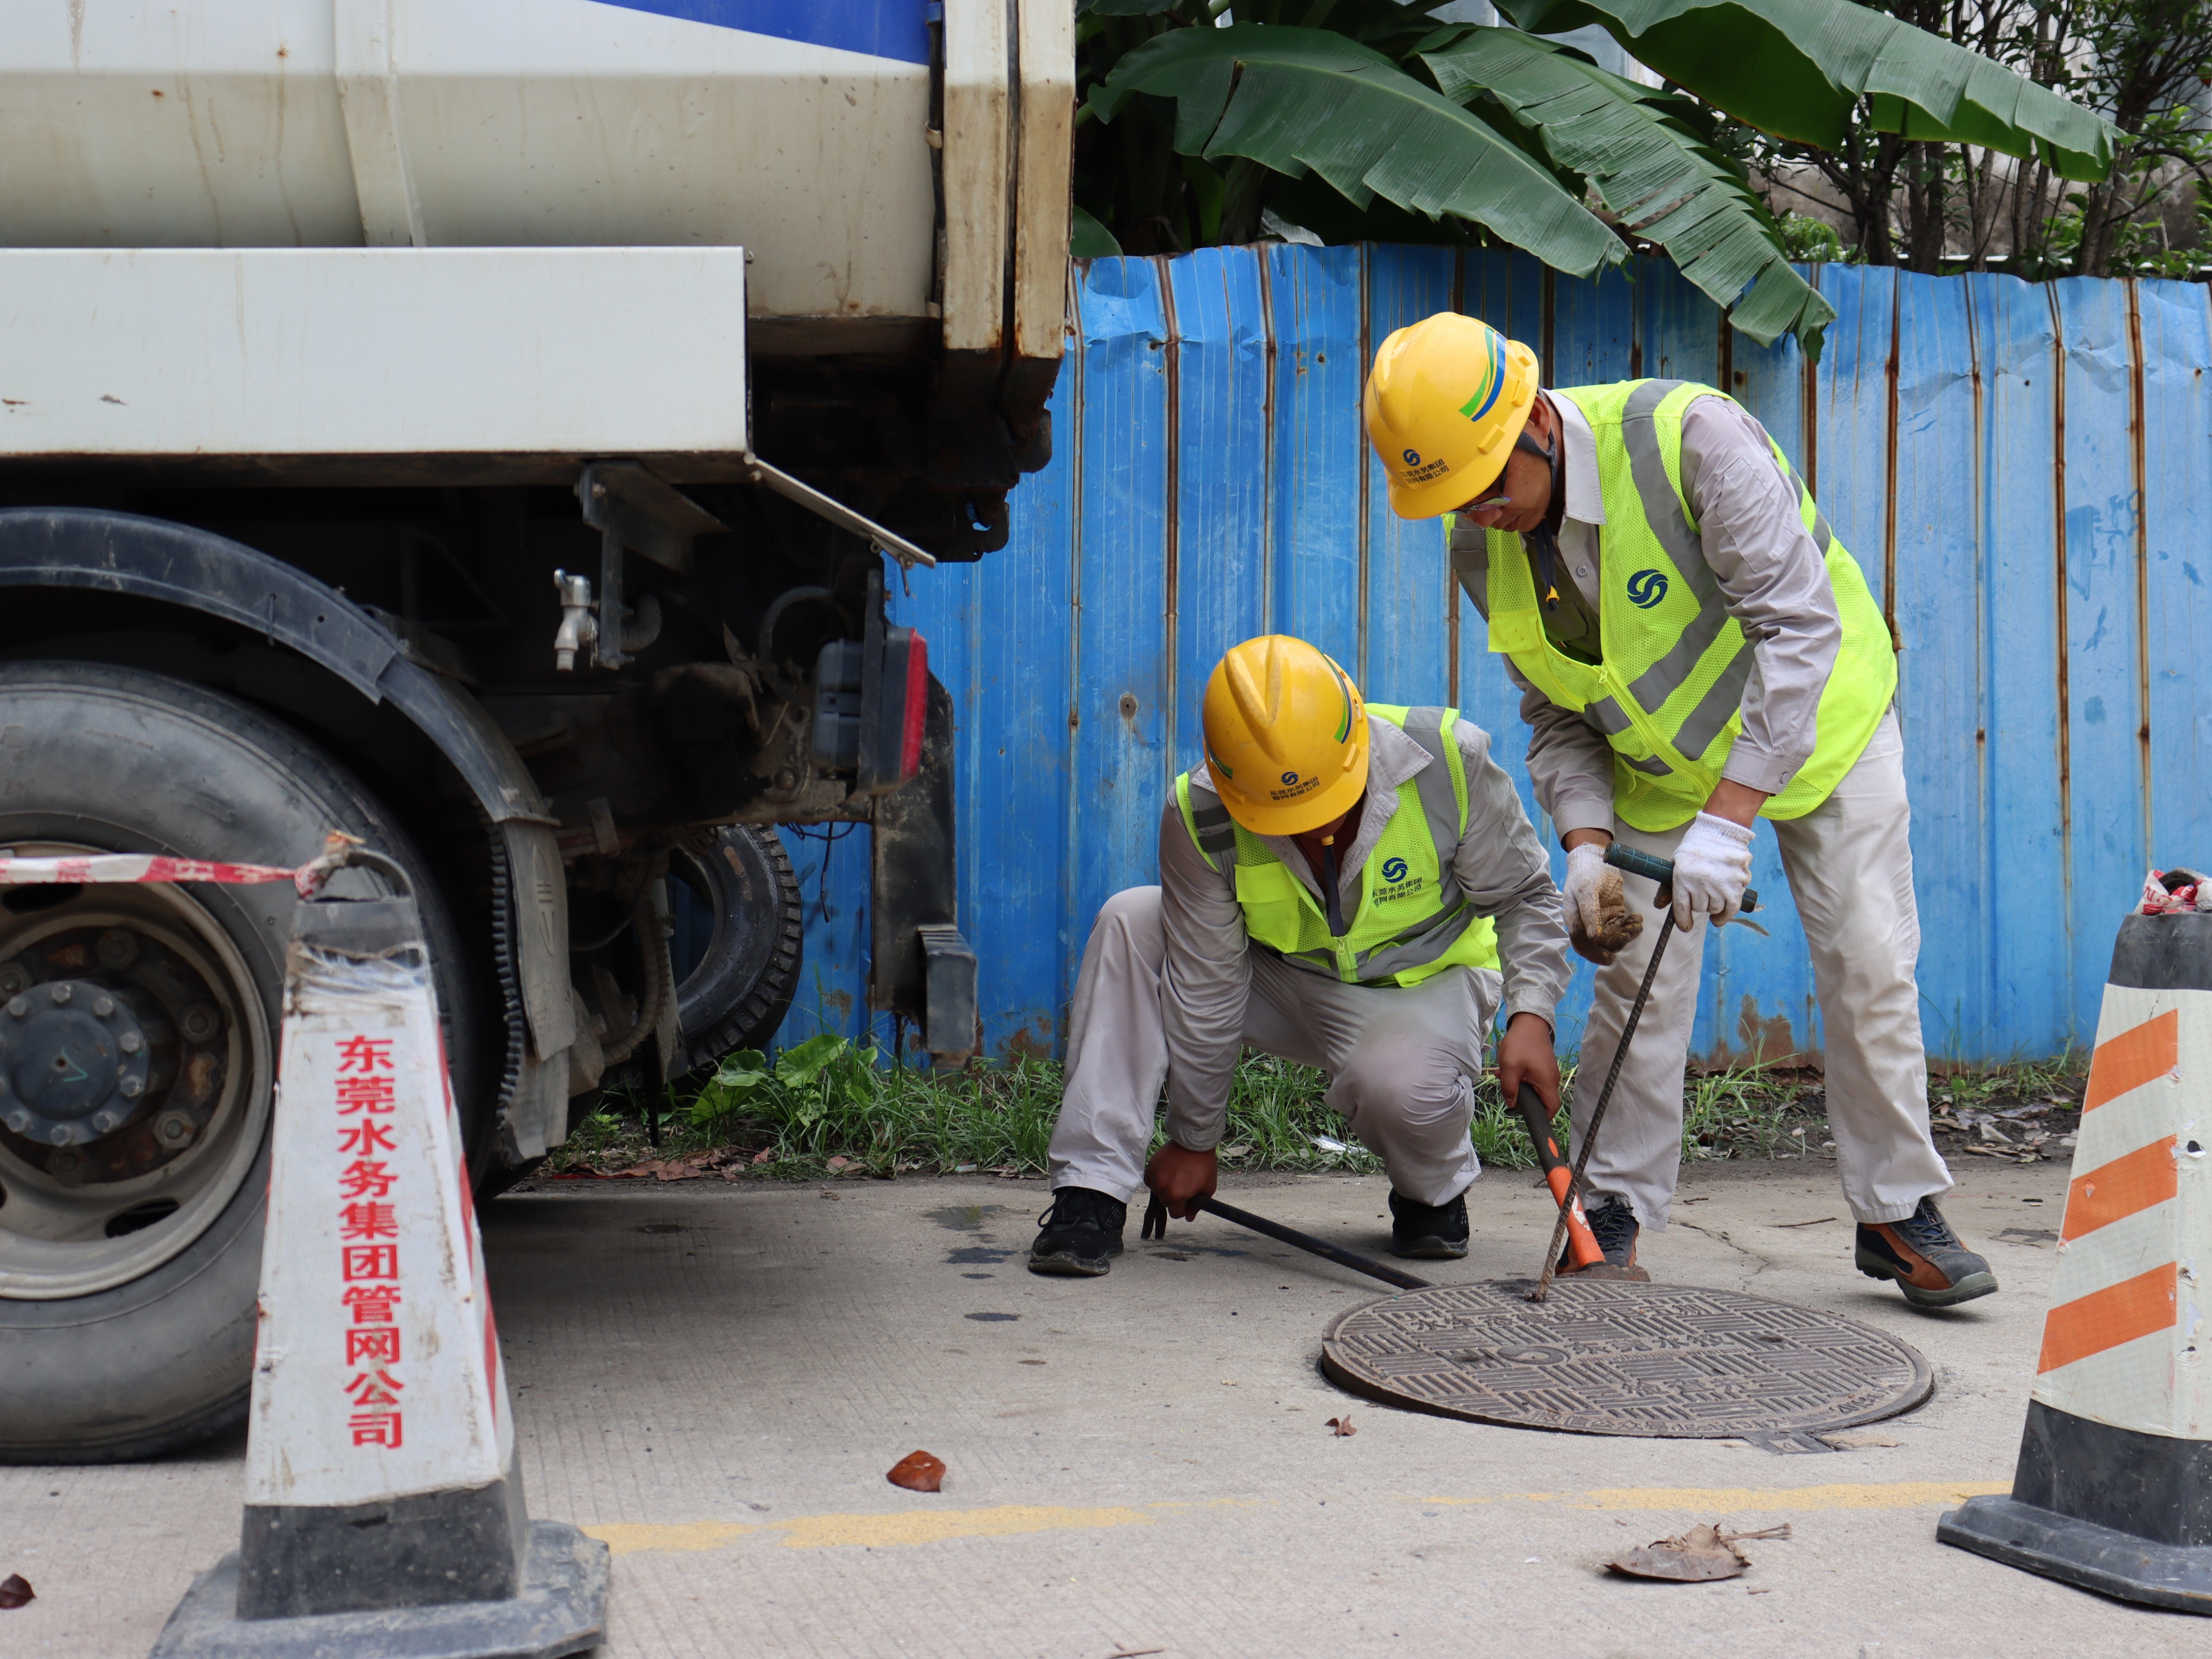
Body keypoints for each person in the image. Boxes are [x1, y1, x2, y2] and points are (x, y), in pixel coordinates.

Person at [1360, 311, 1996, 1308]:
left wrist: (1733, 816)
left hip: (1821, 725)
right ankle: (1609, 1205)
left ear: (1531, 420)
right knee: (1637, 991)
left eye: (1486, 487)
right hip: (1660, 770)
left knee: (1868, 959)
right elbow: (1553, 714)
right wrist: (1584, 849)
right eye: (1452, 499)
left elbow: (1795, 627)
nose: (1476, 513)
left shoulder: (1688, 437)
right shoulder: (1482, 549)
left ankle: (1894, 1210)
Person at [1030, 634, 1572, 1276]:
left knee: (1402, 1088)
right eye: (1284, 820)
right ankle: (1089, 1190)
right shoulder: (1202, 814)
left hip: (1422, 988)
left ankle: (1433, 1193)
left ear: (1357, 744)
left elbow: (1526, 898)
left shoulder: (1448, 762)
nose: (1317, 833)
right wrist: (1192, 1140)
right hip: (1283, 985)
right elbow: (1207, 986)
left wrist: (1531, 1016)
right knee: (1131, 921)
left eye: (1329, 809)